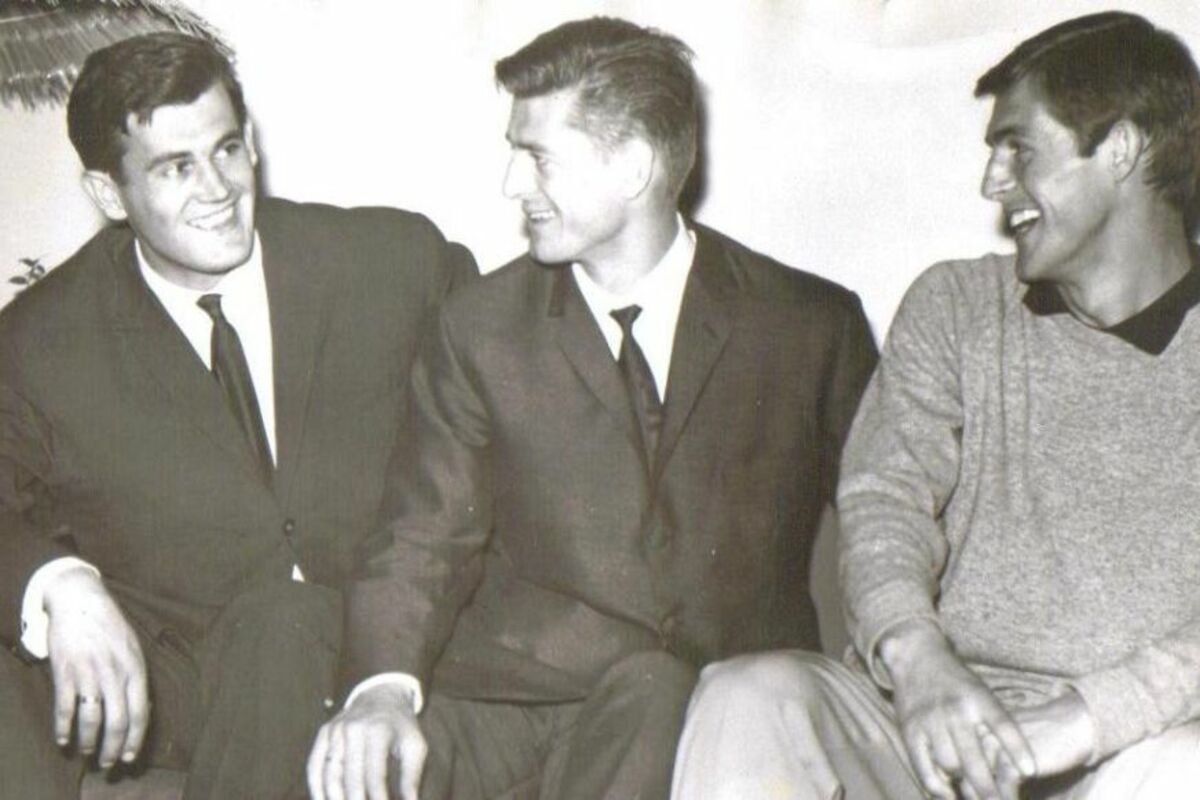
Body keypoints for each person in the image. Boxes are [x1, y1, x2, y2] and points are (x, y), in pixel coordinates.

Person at [307, 15, 877, 800]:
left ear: (634, 166)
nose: (513, 185)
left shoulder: (809, 326)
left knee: (656, 694)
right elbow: (421, 536)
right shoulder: (478, 328)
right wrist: (379, 693)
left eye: (538, 157)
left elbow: (889, 529)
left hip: (719, 719)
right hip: (517, 704)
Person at [671, 11, 1200, 800]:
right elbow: (883, 500)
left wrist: (1087, 718)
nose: (993, 182)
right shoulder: (958, 305)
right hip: (927, 731)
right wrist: (917, 659)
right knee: (747, 698)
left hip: (1135, 748)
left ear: (1121, 149)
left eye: (1018, 147)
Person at [0, 32, 474, 800]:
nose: (218, 188)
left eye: (226, 150)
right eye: (176, 168)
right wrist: (58, 582)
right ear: (110, 196)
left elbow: (505, 420)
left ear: (250, 140)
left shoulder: (392, 263)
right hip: (184, 685)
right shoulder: (43, 339)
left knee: (287, 617)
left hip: (382, 655)